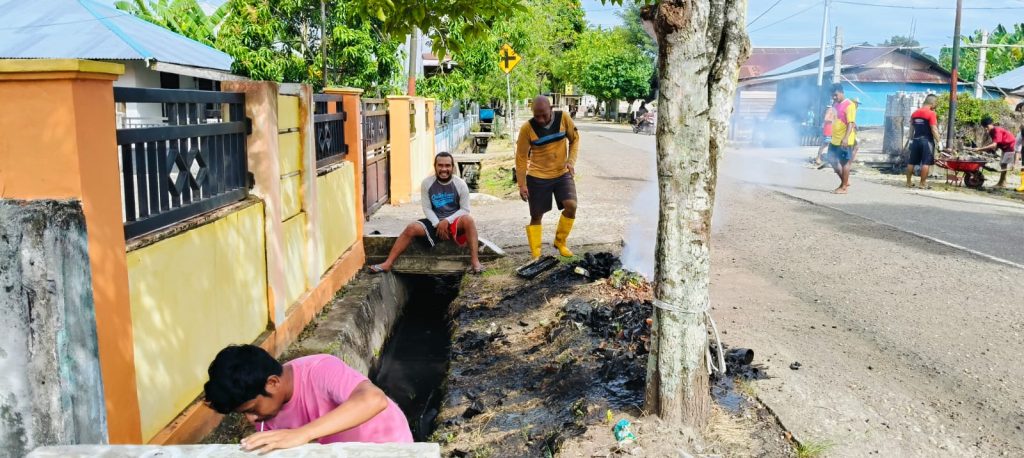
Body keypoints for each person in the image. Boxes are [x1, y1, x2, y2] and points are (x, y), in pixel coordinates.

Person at [204, 345, 413, 453]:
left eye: (252, 409)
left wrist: (302, 433)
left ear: (273, 383)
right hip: (339, 451)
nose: (251, 419)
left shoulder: (320, 369)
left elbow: (374, 399)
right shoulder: (266, 412)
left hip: (387, 446)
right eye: (244, 413)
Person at [369, 152, 484, 273]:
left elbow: (465, 209)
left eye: (447, 165)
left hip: (455, 221)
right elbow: (427, 208)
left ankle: (475, 261)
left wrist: (446, 221)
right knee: (411, 228)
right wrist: (437, 223)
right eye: (440, 165)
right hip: (435, 221)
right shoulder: (427, 183)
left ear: (452, 167)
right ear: (435, 166)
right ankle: (388, 263)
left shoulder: (460, 184)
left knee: (468, 220)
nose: (444, 169)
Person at [517, 95, 580, 259]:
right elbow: (521, 157)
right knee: (536, 215)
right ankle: (536, 253)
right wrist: (522, 184)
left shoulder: (563, 118)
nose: (540, 119)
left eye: (544, 115)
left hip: (562, 173)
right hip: (537, 176)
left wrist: (570, 161)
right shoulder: (527, 128)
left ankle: (560, 242)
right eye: (536, 116)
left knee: (571, 205)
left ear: (551, 109)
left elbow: (575, 140)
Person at [972, 116, 1018, 189]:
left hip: (1011, 146)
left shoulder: (997, 130)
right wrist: (985, 150)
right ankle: (1003, 182)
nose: (985, 128)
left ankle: (1001, 183)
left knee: (1003, 164)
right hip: (1005, 147)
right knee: (1002, 164)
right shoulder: (991, 132)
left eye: (986, 126)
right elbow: (995, 144)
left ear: (991, 124)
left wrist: (979, 149)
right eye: (984, 127)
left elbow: (994, 145)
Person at [905, 94, 942, 188]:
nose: (936, 106)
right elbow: (934, 129)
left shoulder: (915, 113)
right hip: (927, 141)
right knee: (926, 163)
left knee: (911, 162)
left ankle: (908, 182)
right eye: (936, 104)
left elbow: (911, 128)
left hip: (915, 140)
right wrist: (939, 142)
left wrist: (910, 140)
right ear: (933, 103)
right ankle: (922, 183)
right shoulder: (931, 113)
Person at [826, 84, 857, 194]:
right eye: (832, 96)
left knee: (845, 163)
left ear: (841, 92)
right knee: (831, 159)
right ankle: (845, 182)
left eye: (835, 95)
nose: (834, 97)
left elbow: (850, 123)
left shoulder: (850, 105)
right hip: (835, 139)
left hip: (845, 140)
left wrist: (846, 138)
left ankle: (843, 187)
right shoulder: (835, 104)